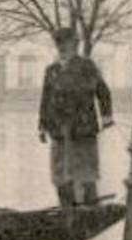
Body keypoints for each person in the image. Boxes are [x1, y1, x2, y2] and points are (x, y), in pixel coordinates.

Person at [38, 26, 114, 206]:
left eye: (66, 44)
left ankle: (90, 208)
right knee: (60, 172)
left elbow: (102, 91)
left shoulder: (87, 66)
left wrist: (106, 116)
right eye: (58, 44)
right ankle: (65, 208)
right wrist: (42, 124)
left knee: (86, 170)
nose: (62, 48)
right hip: (58, 129)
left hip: (82, 128)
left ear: (75, 44)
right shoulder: (51, 70)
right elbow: (45, 98)